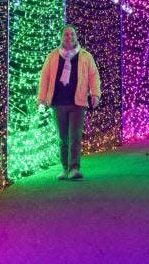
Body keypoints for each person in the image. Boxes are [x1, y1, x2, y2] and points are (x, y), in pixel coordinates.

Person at [37, 25, 102, 181]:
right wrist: (41, 99)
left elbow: (94, 76)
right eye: (66, 34)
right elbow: (44, 78)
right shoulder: (52, 57)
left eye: (72, 34)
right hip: (58, 101)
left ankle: (74, 168)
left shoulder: (85, 56)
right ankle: (65, 168)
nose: (69, 37)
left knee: (75, 136)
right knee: (62, 137)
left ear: (76, 36)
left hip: (78, 102)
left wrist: (95, 94)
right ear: (61, 37)